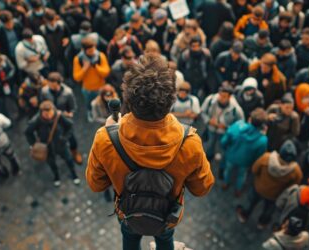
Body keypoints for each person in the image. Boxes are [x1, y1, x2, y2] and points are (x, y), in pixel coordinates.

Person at [86, 55, 214, 250]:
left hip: (128, 212)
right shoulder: (190, 143)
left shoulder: (105, 139)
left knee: (129, 238)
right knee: (165, 240)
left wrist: (111, 131)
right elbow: (202, 188)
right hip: (167, 215)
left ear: (127, 99)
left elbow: (96, 184)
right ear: (171, 100)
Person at [236, 140, 303, 229]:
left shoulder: (266, 158)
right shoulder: (296, 171)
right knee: (268, 210)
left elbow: (254, 169)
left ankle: (244, 216)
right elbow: (293, 187)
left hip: (259, 187)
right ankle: (262, 223)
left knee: (251, 202)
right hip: (275, 195)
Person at [25, 100, 80, 187]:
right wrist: (33, 144)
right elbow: (28, 132)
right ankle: (56, 177)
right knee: (52, 163)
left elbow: (70, 126)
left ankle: (74, 175)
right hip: (47, 147)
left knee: (69, 160)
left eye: (50, 113)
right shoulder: (36, 120)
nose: (48, 116)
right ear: (41, 113)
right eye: (45, 114)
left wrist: (64, 138)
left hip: (61, 144)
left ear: (53, 110)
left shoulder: (59, 116)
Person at [221, 108, 268, 196]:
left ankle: (225, 183)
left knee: (228, 170)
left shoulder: (237, 126)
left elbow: (224, 141)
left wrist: (225, 149)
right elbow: (259, 156)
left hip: (231, 156)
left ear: (250, 119)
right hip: (245, 162)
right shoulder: (262, 140)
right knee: (241, 176)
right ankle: (238, 190)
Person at [40, 72, 82, 165]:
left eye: (53, 86)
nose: (51, 88)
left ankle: (74, 152)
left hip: (64, 119)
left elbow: (73, 107)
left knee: (71, 137)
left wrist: (69, 113)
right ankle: (59, 152)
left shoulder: (68, 92)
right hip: (50, 119)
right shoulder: (44, 91)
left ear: (59, 83)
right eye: (50, 86)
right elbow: (43, 104)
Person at [200, 85, 244, 165]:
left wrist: (227, 127)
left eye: (224, 96)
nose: (221, 98)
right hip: (211, 129)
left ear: (229, 97)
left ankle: (221, 163)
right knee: (210, 144)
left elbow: (240, 124)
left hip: (224, 132)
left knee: (222, 146)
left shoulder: (236, 109)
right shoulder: (210, 100)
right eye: (220, 95)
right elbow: (202, 112)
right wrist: (209, 121)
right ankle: (208, 159)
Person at [73, 37, 111, 122]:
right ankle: (90, 113)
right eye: (90, 51)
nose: (92, 52)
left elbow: (106, 72)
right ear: (83, 50)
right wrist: (84, 68)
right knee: (89, 104)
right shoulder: (78, 59)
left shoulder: (100, 56)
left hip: (100, 87)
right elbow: (77, 77)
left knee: (102, 103)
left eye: (93, 49)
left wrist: (96, 67)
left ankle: (102, 115)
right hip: (87, 89)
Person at [39, 8, 70, 74]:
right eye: (50, 21)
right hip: (51, 52)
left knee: (65, 65)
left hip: (62, 50)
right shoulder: (43, 30)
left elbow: (68, 35)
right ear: (46, 20)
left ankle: (67, 76)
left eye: (53, 20)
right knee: (53, 67)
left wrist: (67, 39)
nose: (52, 23)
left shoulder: (62, 25)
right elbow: (42, 42)